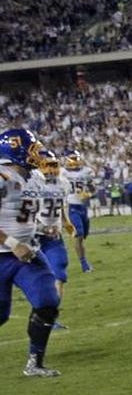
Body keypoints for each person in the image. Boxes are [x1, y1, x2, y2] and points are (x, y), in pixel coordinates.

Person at [0, 129, 64, 377]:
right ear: (14, 151)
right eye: (32, 149)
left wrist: (41, 228)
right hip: (5, 254)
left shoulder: (33, 178)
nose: (36, 154)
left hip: (27, 254)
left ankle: (35, 363)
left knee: (48, 302)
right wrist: (14, 242)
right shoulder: (3, 176)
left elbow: (19, 214)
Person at [32, 151, 73, 329]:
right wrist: (40, 227)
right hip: (34, 237)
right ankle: (40, 314)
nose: (51, 169)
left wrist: (66, 222)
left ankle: (50, 317)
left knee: (60, 273)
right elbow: (25, 211)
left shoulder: (63, 183)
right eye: (47, 165)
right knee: (36, 279)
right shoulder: (31, 183)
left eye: (54, 165)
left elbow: (61, 205)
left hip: (54, 237)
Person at [62, 151, 95, 272]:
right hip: (71, 207)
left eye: (76, 158)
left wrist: (88, 194)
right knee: (79, 235)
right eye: (72, 158)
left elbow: (92, 188)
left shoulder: (86, 171)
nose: (75, 160)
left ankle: (84, 260)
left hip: (83, 208)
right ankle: (84, 263)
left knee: (83, 235)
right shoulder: (62, 173)